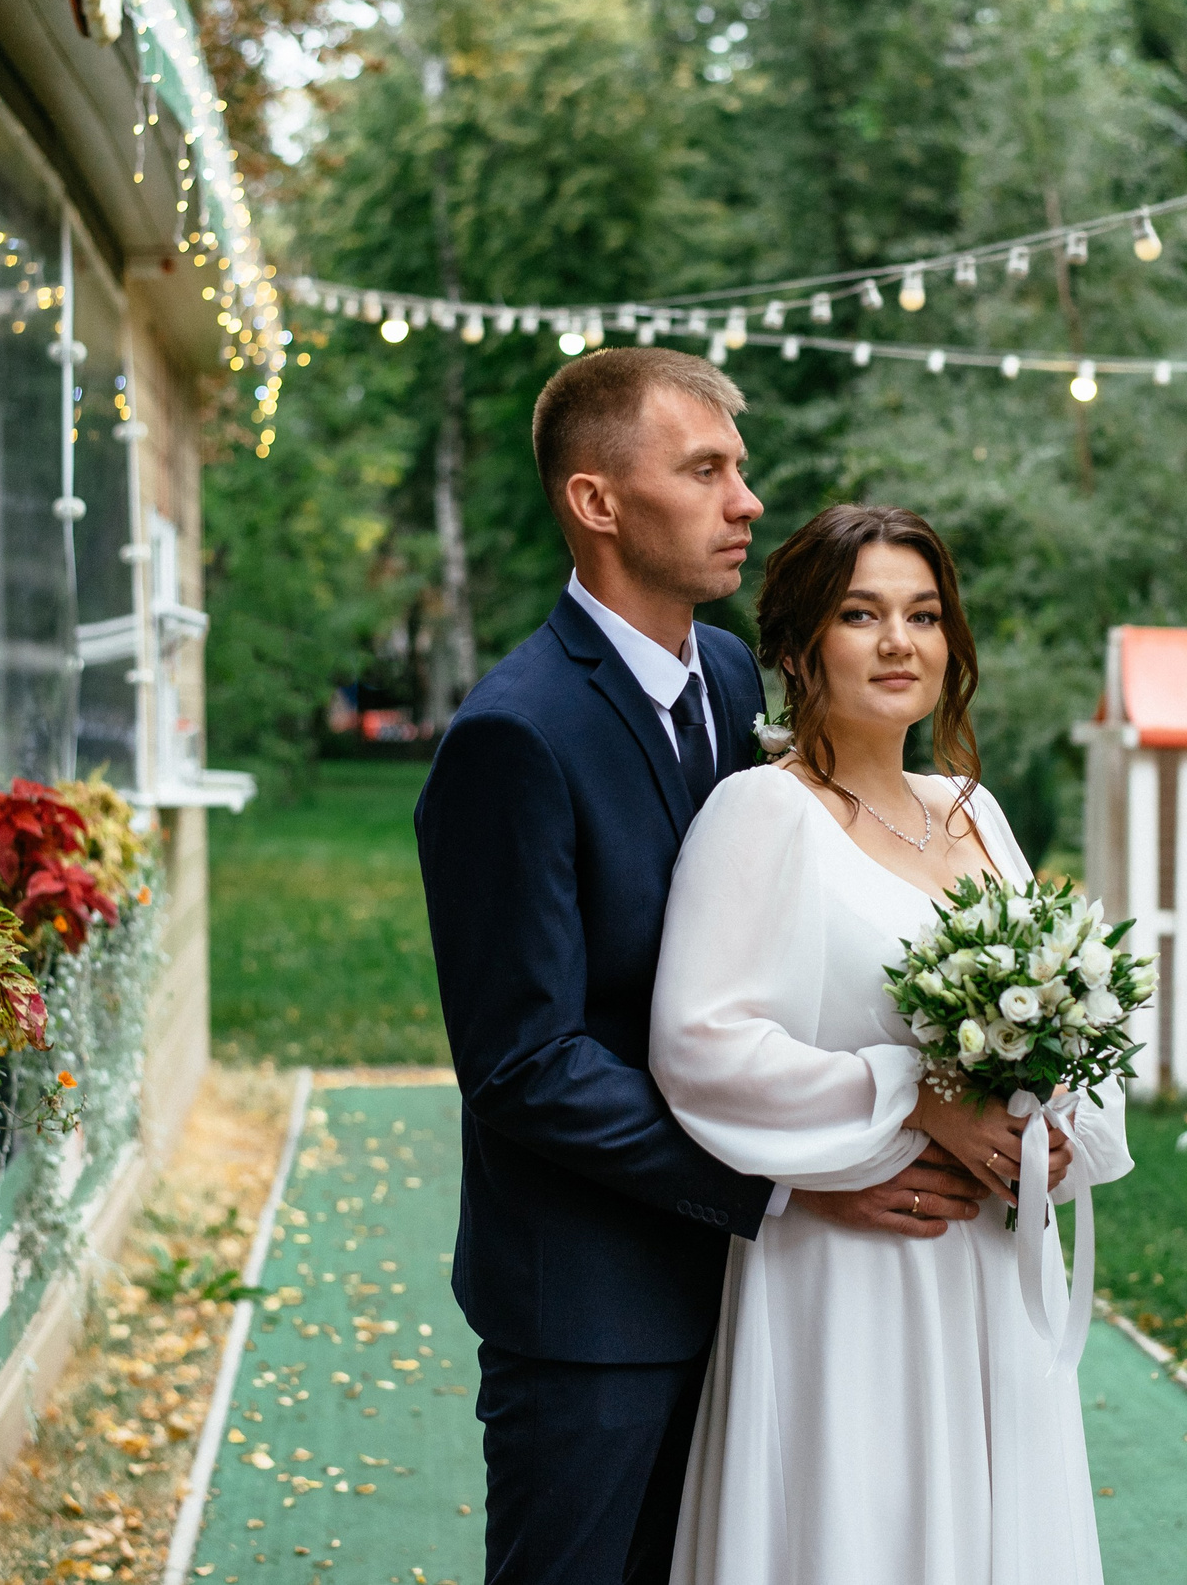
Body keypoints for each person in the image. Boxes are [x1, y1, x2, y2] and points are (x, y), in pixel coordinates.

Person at [413, 352, 992, 1585]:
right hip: (595, 1306)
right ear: (597, 502)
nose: (746, 501)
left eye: (740, 468)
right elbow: (525, 1065)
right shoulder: (512, 736)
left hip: (762, 1300)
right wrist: (791, 1179)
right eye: (706, 470)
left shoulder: (729, 675)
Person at [650, 503, 1133, 1585]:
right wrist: (913, 1097)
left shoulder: (972, 811)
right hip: (854, 1266)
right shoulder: (758, 812)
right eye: (860, 614)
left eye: (922, 615)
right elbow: (700, 1042)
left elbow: (1055, 1012)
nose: (897, 642)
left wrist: (1050, 1128)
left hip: (992, 1262)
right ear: (797, 646)